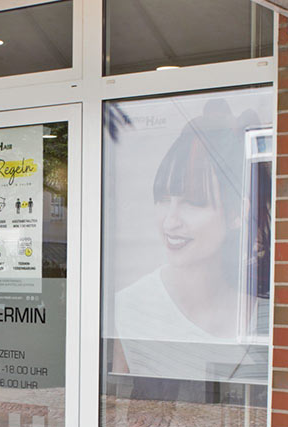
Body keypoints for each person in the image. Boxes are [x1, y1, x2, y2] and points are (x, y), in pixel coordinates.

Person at [113, 99, 267, 381]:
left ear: (237, 212)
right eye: (163, 199)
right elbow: (118, 403)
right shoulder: (129, 307)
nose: (171, 221)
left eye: (193, 202)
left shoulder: (266, 316)